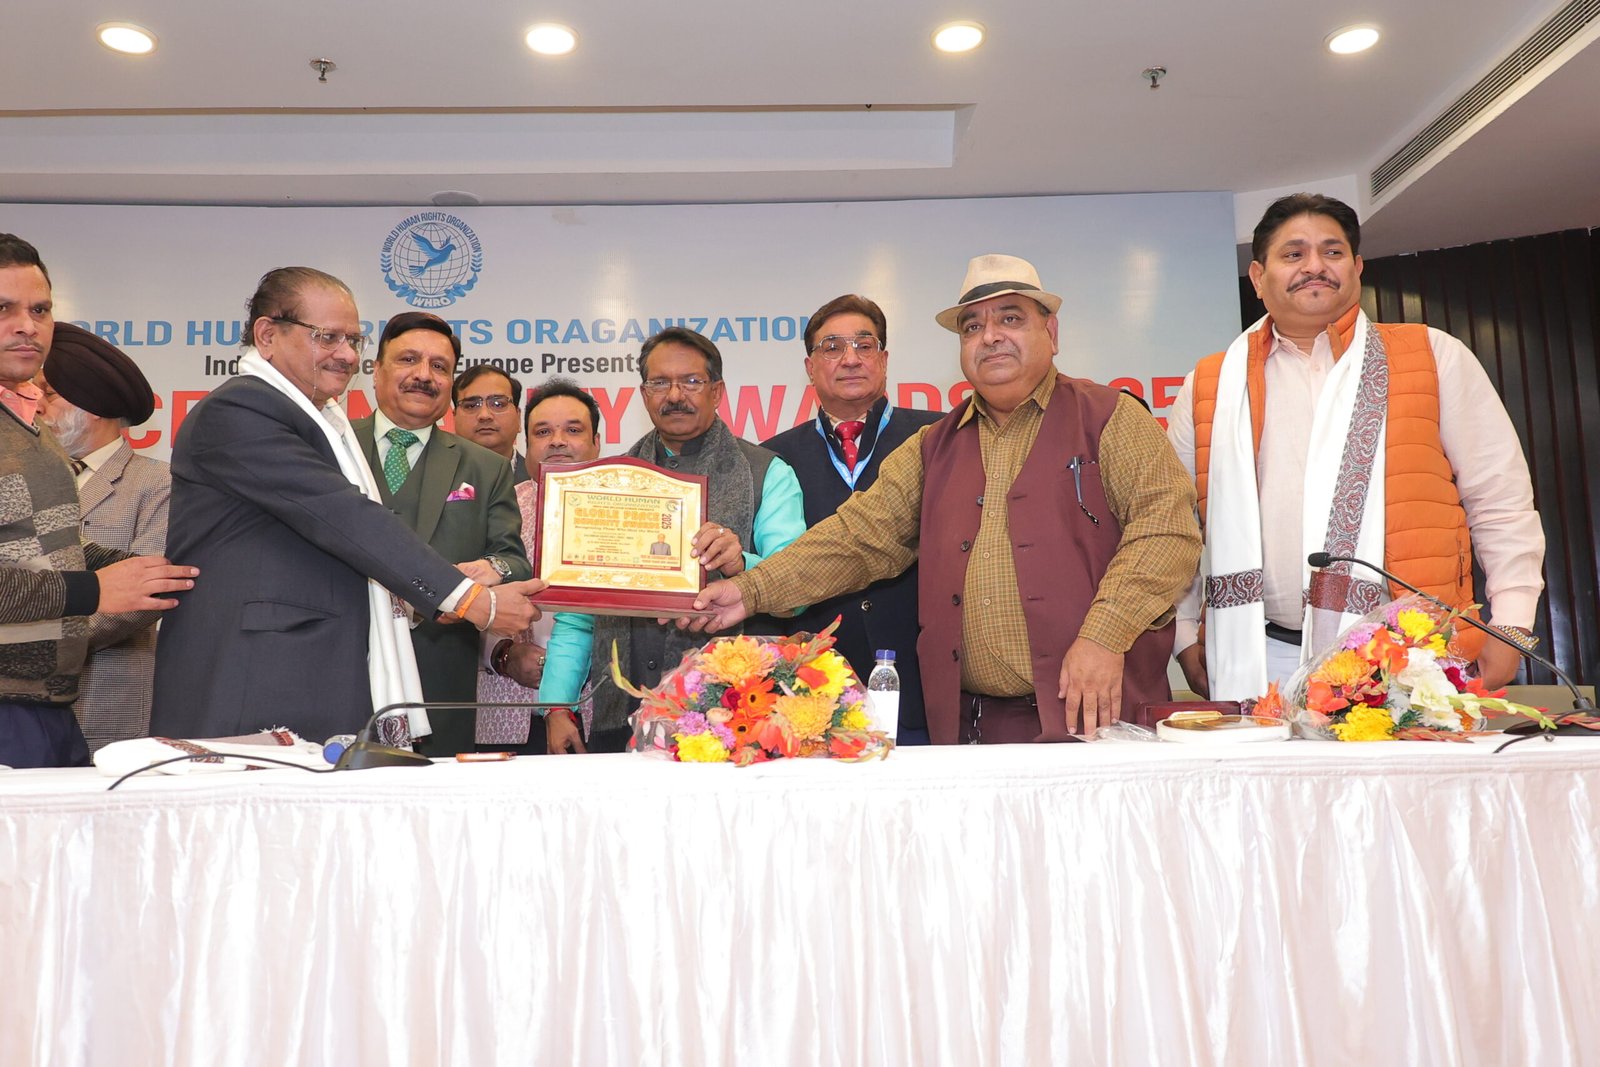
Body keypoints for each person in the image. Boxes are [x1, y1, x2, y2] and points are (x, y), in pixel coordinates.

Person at [682, 254, 1202, 743]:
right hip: (971, 728)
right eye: (972, 326)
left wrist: (1105, 635)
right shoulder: (933, 445)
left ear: (1052, 333)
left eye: (1010, 318)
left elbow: (1166, 532)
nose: (990, 336)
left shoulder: (1110, 417)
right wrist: (749, 590)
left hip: (1096, 719)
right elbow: (855, 539)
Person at [1167, 194, 1545, 699]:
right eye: (1293, 254)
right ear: (1258, 277)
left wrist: (1514, 624)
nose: (1315, 266)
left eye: (1332, 251)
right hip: (1256, 655)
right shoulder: (1210, 384)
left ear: (1357, 267)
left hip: (1411, 654)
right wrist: (1182, 635)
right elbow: (1178, 527)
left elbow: (1499, 498)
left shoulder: (1432, 356)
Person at [150, 268, 543, 744]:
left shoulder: (320, 422)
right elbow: (344, 516)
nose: (347, 355)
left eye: (353, 340)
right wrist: (469, 599)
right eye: (327, 337)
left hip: (308, 676)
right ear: (268, 335)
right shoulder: (240, 411)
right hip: (251, 680)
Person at [539, 328, 807, 752]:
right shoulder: (610, 481)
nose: (675, 395)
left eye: (692, 381)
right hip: (621, 714)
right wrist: (557, 707)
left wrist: (742, 564)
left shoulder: (766, 472)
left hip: (732, 720)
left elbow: (798, 587)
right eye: (660, 383)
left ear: (717, 391)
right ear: (643, 394)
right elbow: (578, 613)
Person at [1, 233, 196, 768]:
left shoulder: (36, 437)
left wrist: (150, 571)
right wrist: (95, 589)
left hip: (49, 706)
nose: (27, 325)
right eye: (4, 309)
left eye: (40, 309)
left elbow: (45, 548)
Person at [762, 294, 943, 744]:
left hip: (928, 684)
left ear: (884, 360)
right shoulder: (770, 458)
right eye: (832, 347)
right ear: (809, 367)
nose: (850, 359)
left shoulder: (940, 437)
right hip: (812, 693)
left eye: (864, 345)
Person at [352, 313, 531, 756]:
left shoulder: (485, 467)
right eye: (408, 359)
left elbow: (513, 560)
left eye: (439, 366)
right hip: (340, 671)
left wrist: (488, 570)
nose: (423, 375)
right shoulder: (330, 447)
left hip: (441, 684)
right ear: (376, 370)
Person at [37, 323, 172, 752]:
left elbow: (150, 591)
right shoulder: (28, 481)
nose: (37, 404)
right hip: (19, 709)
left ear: (92, 406)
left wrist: (40, 646)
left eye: (49, 393)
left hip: (103, 697)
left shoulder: (157, 483)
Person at [478, 378, 603, 755]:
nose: (557, 441)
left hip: (601, 710)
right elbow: (458, 600)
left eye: (573, 430)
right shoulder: (497, 510)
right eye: (543, 431)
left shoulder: (630, 512)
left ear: (597, 443)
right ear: (526, 444)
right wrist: (501, 654)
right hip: (506, 710)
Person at [452, 363, 529, 484]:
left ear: (518, 417)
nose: (484, 415)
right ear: (454, 417)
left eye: (498, 404)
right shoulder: (433, 478)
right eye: (471, 406)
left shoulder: (541, 483)